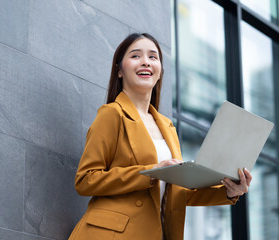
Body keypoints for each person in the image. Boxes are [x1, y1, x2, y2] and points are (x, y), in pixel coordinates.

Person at [68, 33, 252, 240]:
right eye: (136, 56)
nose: (146, 61)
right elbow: (85, 180)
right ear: (119, 70)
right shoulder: (112, 113)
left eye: (153, 57)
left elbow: (177, 193)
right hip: (111, 234)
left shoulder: (167, 126)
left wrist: (229, 191)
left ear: (160, 73)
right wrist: (150, 172)